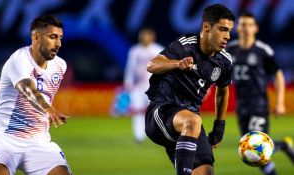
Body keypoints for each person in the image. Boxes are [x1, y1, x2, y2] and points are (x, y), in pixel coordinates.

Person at [145, 4, 235, 175]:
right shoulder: (185, 45)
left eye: (229, 31)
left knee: (206, 171)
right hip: (162, 111)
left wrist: (219, 126)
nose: (227, 36)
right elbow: (152, 65)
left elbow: (223, 91)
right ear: (206, 27)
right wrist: (177, 64)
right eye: (223, 29)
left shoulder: (225, 61)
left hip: (191, 123)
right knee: (193, 121)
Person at [0, 15, 72, 175]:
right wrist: (48, 109)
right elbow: (28, 89)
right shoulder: (19, 60)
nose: (58, 44)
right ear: (35, 37)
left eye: (60, 38)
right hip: (6, 138)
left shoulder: (60, 65)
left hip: (39, 140)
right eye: (52, 37)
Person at [227, 12, 294, 175]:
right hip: (241, 106)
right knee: (250, 148)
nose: (246, 28)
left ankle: (280, 154)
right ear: (237, 27)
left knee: (254, 147)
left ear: (255, 28)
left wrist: (279, 103)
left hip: (259, 105)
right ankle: (283, 146)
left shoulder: (262, 50)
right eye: (243, 24)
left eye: (250, 24)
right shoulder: (230, 49)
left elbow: (278, 75)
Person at [124, 28, 163, 143]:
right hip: (137, 86)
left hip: (153, 86)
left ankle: (157, 134)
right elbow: (130, 68)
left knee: (155, 111)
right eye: (143, 36)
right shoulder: (135, 50)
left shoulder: (158, 49)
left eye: (147, 36)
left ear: (152, 37)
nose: (144, 39)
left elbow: (163, 68)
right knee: (137, 111)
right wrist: (128, 81)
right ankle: (139, 136)